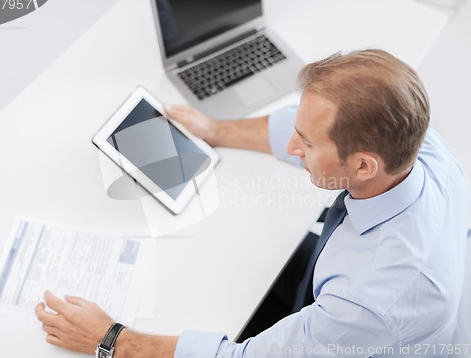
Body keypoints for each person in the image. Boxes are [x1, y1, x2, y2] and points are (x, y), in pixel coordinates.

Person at [35, 49, 470, 357]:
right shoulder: (410, 138)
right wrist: (214, 129)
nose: (290, 145)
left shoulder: (368, 300)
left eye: (307, 142)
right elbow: (298, 125)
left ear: (362, 167)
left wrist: (111, 340)